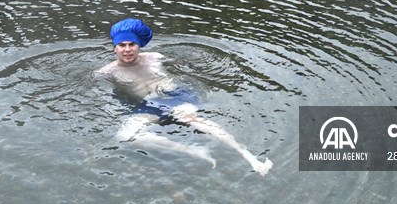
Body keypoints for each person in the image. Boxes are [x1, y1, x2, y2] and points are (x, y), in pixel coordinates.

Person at [96, 18, 273, 175]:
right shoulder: (106, 73)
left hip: (177, 95)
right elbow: (106, 96)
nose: (127, 50)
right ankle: (194, 150)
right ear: (114, 47)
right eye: (122, 45)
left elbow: (185, 69)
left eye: (131, 44)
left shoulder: (154, 58)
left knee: (189, 119)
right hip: (151, 104)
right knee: (126, 135)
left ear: (139, 45)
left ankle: (249, 156)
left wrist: (203, 86)